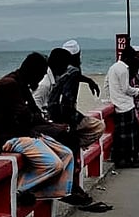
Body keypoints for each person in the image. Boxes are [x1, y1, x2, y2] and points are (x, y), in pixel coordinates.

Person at [0, 53, 77, 202]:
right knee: (54, 164)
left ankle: (50, 191)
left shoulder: (21, 83)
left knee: (67, 154)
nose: (41, 80)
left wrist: (52, 126)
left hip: (23, 133)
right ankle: (18, 189)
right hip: (8, 137)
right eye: (41, 75)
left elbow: (34, 112)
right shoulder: (9, 84)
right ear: (33, 72)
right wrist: (50, 126)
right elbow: (26, 116)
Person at [46, 47, 109, 208]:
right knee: (96, 128)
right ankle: (68, 187)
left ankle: (71, 184)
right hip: (61, 118)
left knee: (72, 149)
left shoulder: (64, 73)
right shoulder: (70, 72)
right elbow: (65, 102)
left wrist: (88, 80)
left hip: (59, 117)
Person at [104, 47, 139, 168]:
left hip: (119, 103)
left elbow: (106, 83)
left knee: (129, 135)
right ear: (128, 58)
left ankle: (133, 158)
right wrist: (137, 91)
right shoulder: (124, 69)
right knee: (130, 136)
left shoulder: (114, 67)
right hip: (125, 105)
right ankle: (131, 160)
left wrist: (110, 98)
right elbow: (126, 89)